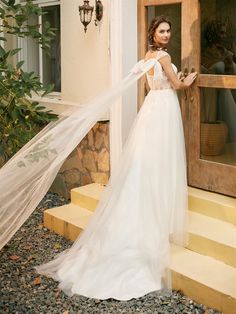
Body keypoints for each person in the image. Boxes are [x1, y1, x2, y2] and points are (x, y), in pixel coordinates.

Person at [35, 15, 197, 300]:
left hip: (152, 108)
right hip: (164, 109)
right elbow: (176, 85)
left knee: (148, 164)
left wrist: (173, 82)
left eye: (169, 30)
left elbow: (151, 87)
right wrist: (189, 79)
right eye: (162, 30)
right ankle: (157, 220)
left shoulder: (146, 56)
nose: (167, 34)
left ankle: (153, 213)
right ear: (153, 33)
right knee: (161, 163)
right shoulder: (163, 56)